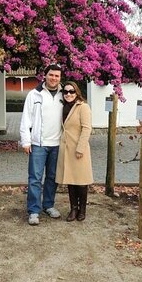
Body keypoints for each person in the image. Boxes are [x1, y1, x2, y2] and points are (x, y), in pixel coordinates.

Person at [20, 64, 64, 226]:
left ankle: (48, 205)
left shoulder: (64, 94)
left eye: (57, 76)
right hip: (38, 143)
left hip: (58, 143)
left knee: (53, 177)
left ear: (60, 78)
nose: (54, 78)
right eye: (51, 75)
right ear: (45, 76)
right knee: (35, 178)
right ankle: (33, 210)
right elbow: (26, 119)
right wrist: (26, 141)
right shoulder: (34, 94)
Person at [55, 81, 93, 222]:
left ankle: (82, 210)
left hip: (79, 149)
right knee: (71, 180)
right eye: (66, 92)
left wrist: (80, 148)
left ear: (77, 92)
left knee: (81, 182)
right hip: (66, 149)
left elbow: (86, 128)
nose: (68, 94)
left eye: (71, 91)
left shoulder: (83, 107)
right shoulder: (63, 107)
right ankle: (73, 209)